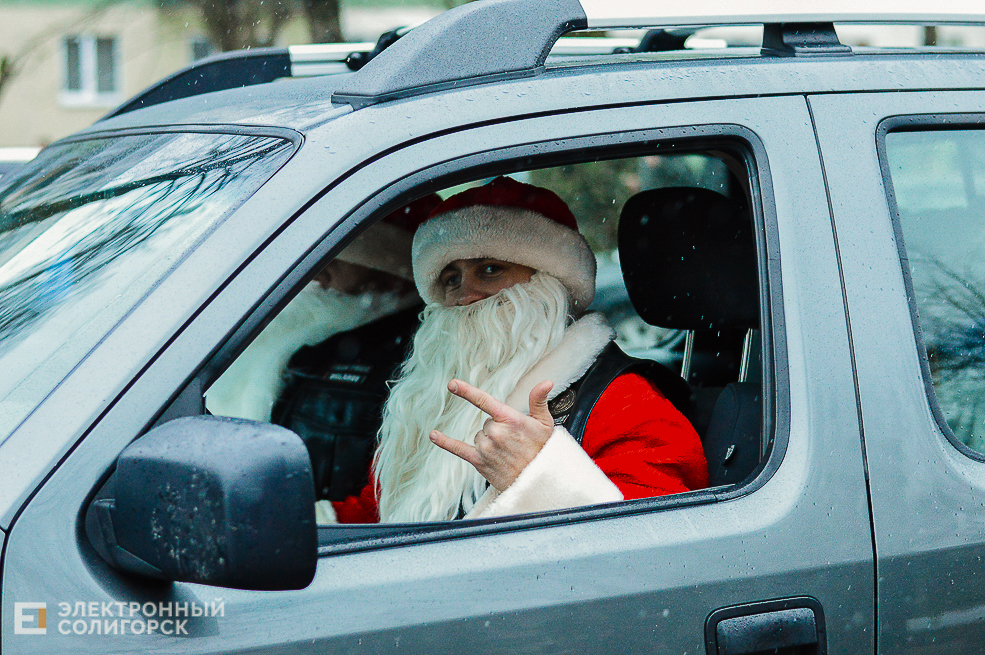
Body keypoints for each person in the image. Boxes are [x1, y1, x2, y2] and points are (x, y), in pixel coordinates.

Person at [326, 177, 708, 524]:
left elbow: (653, 550)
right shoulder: (433, 397)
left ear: (551, 282)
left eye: (490, 269)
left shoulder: (625, 403)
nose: (465, 297)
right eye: (451, 277)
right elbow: (379, 508)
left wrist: (538, 476)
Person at [206, 196, 439, 506]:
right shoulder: (299, 336)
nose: (315, 273)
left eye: (336, 259)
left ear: (390, 274)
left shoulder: (416, 359)